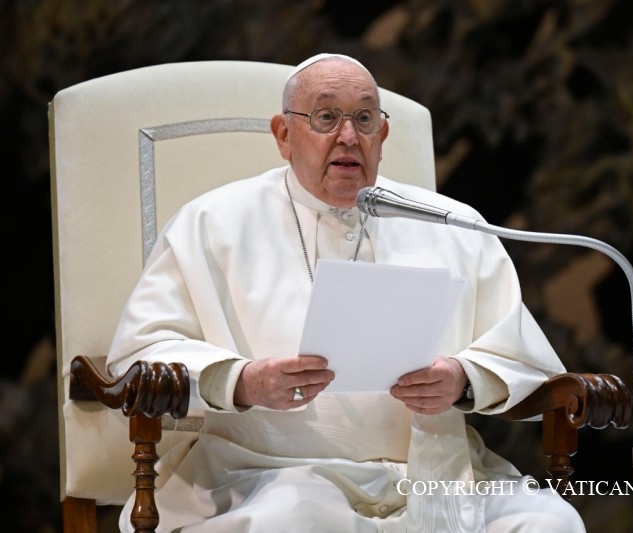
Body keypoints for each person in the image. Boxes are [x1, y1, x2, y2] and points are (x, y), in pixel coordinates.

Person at [107, 53, 585, 532]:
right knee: (293, 519)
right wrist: (242, 381)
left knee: (551, 523)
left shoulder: (452, 224)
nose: (349, 136)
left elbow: (525, 358)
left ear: (383, 135)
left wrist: (462, 380)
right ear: (283, 135)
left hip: (434, 476)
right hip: (267, 474)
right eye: (326, 116)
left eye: (364, 118)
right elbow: (139, 354)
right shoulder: (213, 223)